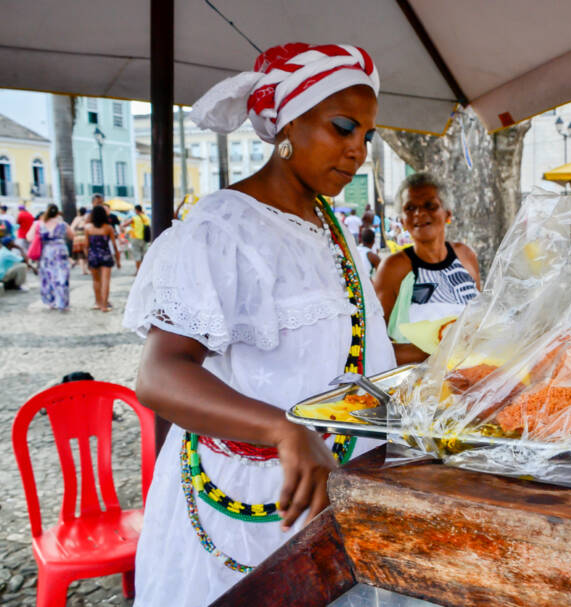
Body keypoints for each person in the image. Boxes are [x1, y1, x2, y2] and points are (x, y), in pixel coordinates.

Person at [122, 42, 394, 606]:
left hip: (334, 487)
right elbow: (159, 374)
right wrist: (282, 429)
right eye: (343, 127)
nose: (357, 151)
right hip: (246, 502)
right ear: (288, 122)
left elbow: (339, 349)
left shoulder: (329, 227)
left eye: (366, 136)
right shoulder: (222, 228)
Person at [373, 172, 481, 364]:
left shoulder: (466, 256)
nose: (419, 213)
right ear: (403, 221)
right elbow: (376, 345)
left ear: (447, 213)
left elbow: (481, 319)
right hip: (419, 384)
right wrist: (441, 353)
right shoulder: (392, 268)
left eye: (430, 205)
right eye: (410, 208)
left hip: (473, 377)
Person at [26, 203, 73, 310]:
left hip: (47, 252)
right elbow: (72, 235)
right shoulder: (62, 224)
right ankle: (63, 302)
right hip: (61, 252)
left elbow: (29, 237)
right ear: (57, 213)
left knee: (48, 276)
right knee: (62, 276)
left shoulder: (38, 224)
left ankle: (51, 301)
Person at [85, 205, 120, 311]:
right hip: (106, 256)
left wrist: (88, 258)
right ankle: (104, 306)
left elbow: (86, 246)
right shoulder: (108, 228)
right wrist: (118, 260)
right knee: (105, 281)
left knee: (96, 281)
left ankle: (98, 303)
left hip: (93, 256)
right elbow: (114, 245)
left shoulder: (88, 228)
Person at [124, 204, 151, 273]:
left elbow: (124, 224)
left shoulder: (134, 218)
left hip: (135, 238)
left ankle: (138, 272)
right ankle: (144, 272)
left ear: (136, 210)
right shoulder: (146, 217)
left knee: (137, 256)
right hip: (145, 239)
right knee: (143, 256)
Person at [70, 207, 90, 275]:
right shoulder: (87, 218)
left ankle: (83, 270)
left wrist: (74, 235)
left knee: (80, 254)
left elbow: (72, 228)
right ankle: (88, 268)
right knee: (87, 253)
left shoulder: (77, 219)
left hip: (78, 237)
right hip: (86, 237)